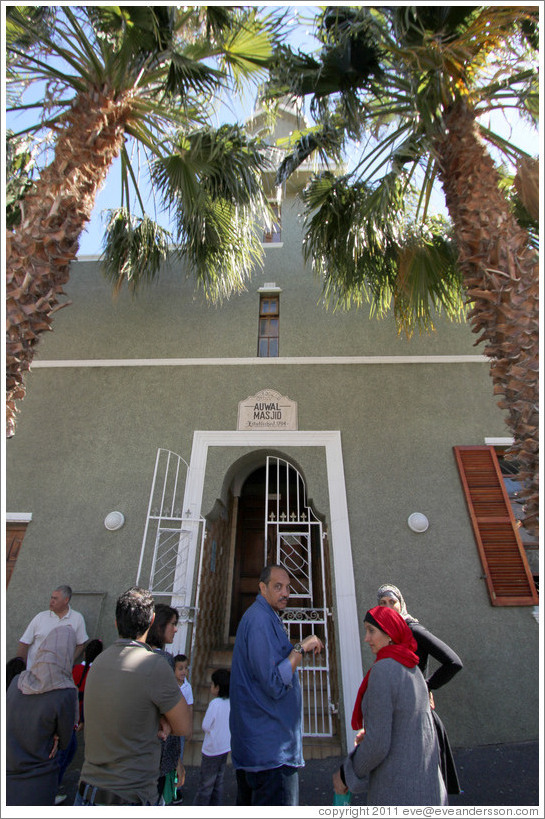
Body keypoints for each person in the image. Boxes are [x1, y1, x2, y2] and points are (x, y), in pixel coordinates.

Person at [75, 587, 191, 806]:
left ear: (116, 622)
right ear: (152, 621)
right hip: (130, 795)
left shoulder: (98, 662)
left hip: (87, 792)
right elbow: (184, 725)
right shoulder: (154, 665)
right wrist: (164, 722)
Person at [333, 606, 447, 806]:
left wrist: (346, 775)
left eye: (371, 631)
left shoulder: (383, 670)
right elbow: (408, 724)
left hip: (399, 792)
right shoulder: (412, 667)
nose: (366, 638)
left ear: (390, 635)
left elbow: (377, 745)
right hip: (428, 789)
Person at [230, 564, 324, 806]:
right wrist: (301, 647)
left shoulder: (266, 617)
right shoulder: (260, 620)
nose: (285, 593)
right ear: (262, 588)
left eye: (288, 587)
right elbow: (273, 682)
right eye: (278, 587)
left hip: (263, 747)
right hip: (270, 752)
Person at [377, 583, 462, 793]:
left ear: (401, 604)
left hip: (418, 720)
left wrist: (426, 685)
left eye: (392, 602)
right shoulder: (388, 635)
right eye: (382, 603)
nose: (388, 607)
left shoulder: (412, 629)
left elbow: (453, 662)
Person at [6, 625, 79, 806]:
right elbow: (64, 741)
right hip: (39, 780)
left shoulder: (18, 681)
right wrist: (54, 734)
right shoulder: (66, 692)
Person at [146, 603, 182, 804]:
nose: (176, 629)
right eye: (172, 624)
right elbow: (175, 714)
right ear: (159, 626)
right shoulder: (163, 660)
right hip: (158, 753)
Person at [17, 585, 88, 670]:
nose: (51, 601)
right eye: (51, 598)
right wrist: (19, 667)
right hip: (33, 671)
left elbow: (80, 644)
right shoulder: (41, 617)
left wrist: (69, 662)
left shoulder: (77, 618)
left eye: (55, 599)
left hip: (57, 675)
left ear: (66, 600)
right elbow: (24, 642)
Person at [193, 668, 231, 806]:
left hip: (211, 749)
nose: (210, 687)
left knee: (206, 784)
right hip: (224, 747)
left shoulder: (215, 704)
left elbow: (205, 725)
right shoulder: (231, 703)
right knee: (218, 782)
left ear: (218, 687)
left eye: (212, 684)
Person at [172, 653, 194, 805]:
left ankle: (177, 789)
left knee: (178, 755)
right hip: (170, 726)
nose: (183, 671)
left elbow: (190, 707)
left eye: (185, 668)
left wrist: (189, 727)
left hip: (180, 728)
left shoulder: (188, 687)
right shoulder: (170, 684)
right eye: (180, 668)